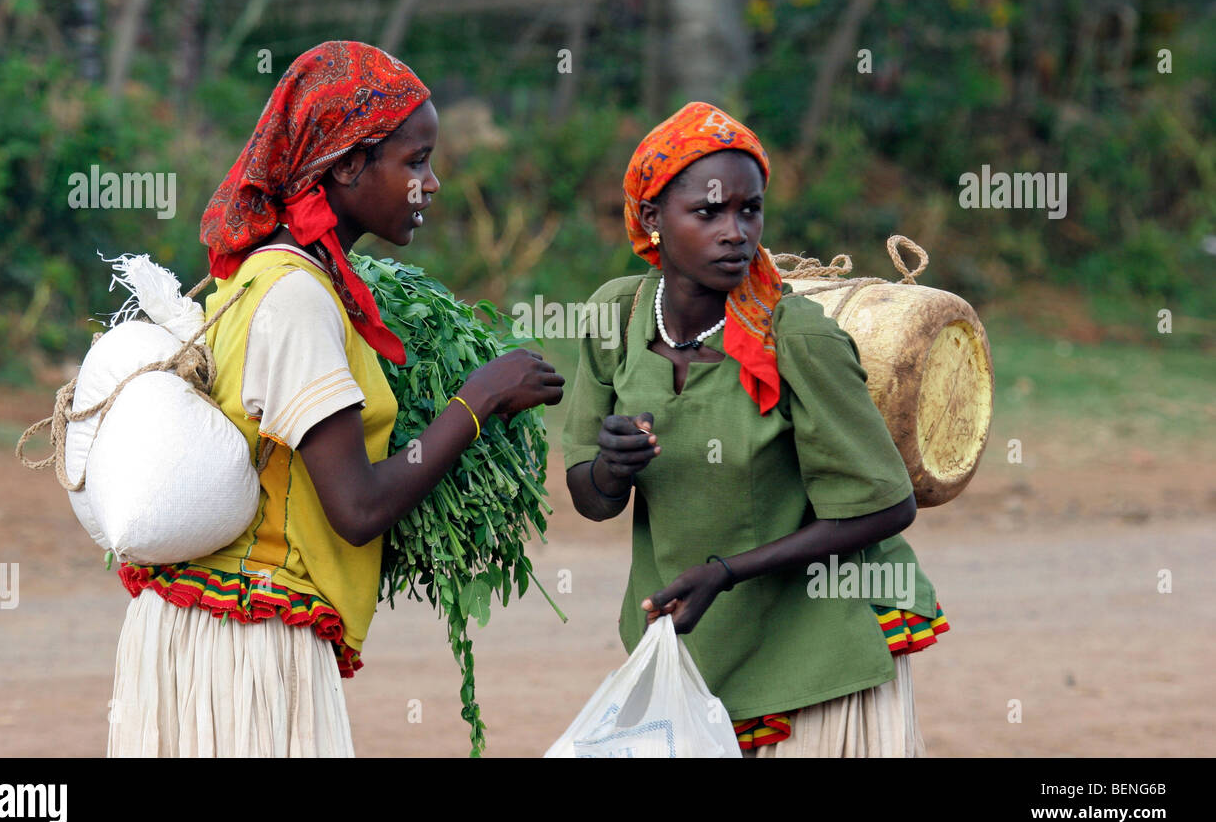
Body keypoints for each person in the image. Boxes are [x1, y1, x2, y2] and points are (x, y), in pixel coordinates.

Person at [107, 40, 564, 757]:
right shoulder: (296, 298)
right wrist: (478, 399)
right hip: (247, 640)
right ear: (347, 164)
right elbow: (357, 509)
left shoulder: (270, 275)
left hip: (220, 625)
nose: (432, 183)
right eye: (415, 162)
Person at [560, 102, 948, 757]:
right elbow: (592, 500)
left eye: (750, 210)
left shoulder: (796, 337)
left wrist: (726, 572)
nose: (737, 232)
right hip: (692, 651)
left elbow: (887, 505)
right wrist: (610, 466)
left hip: (816, 658)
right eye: (709, 213)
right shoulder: (615, 316)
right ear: (652, 220)